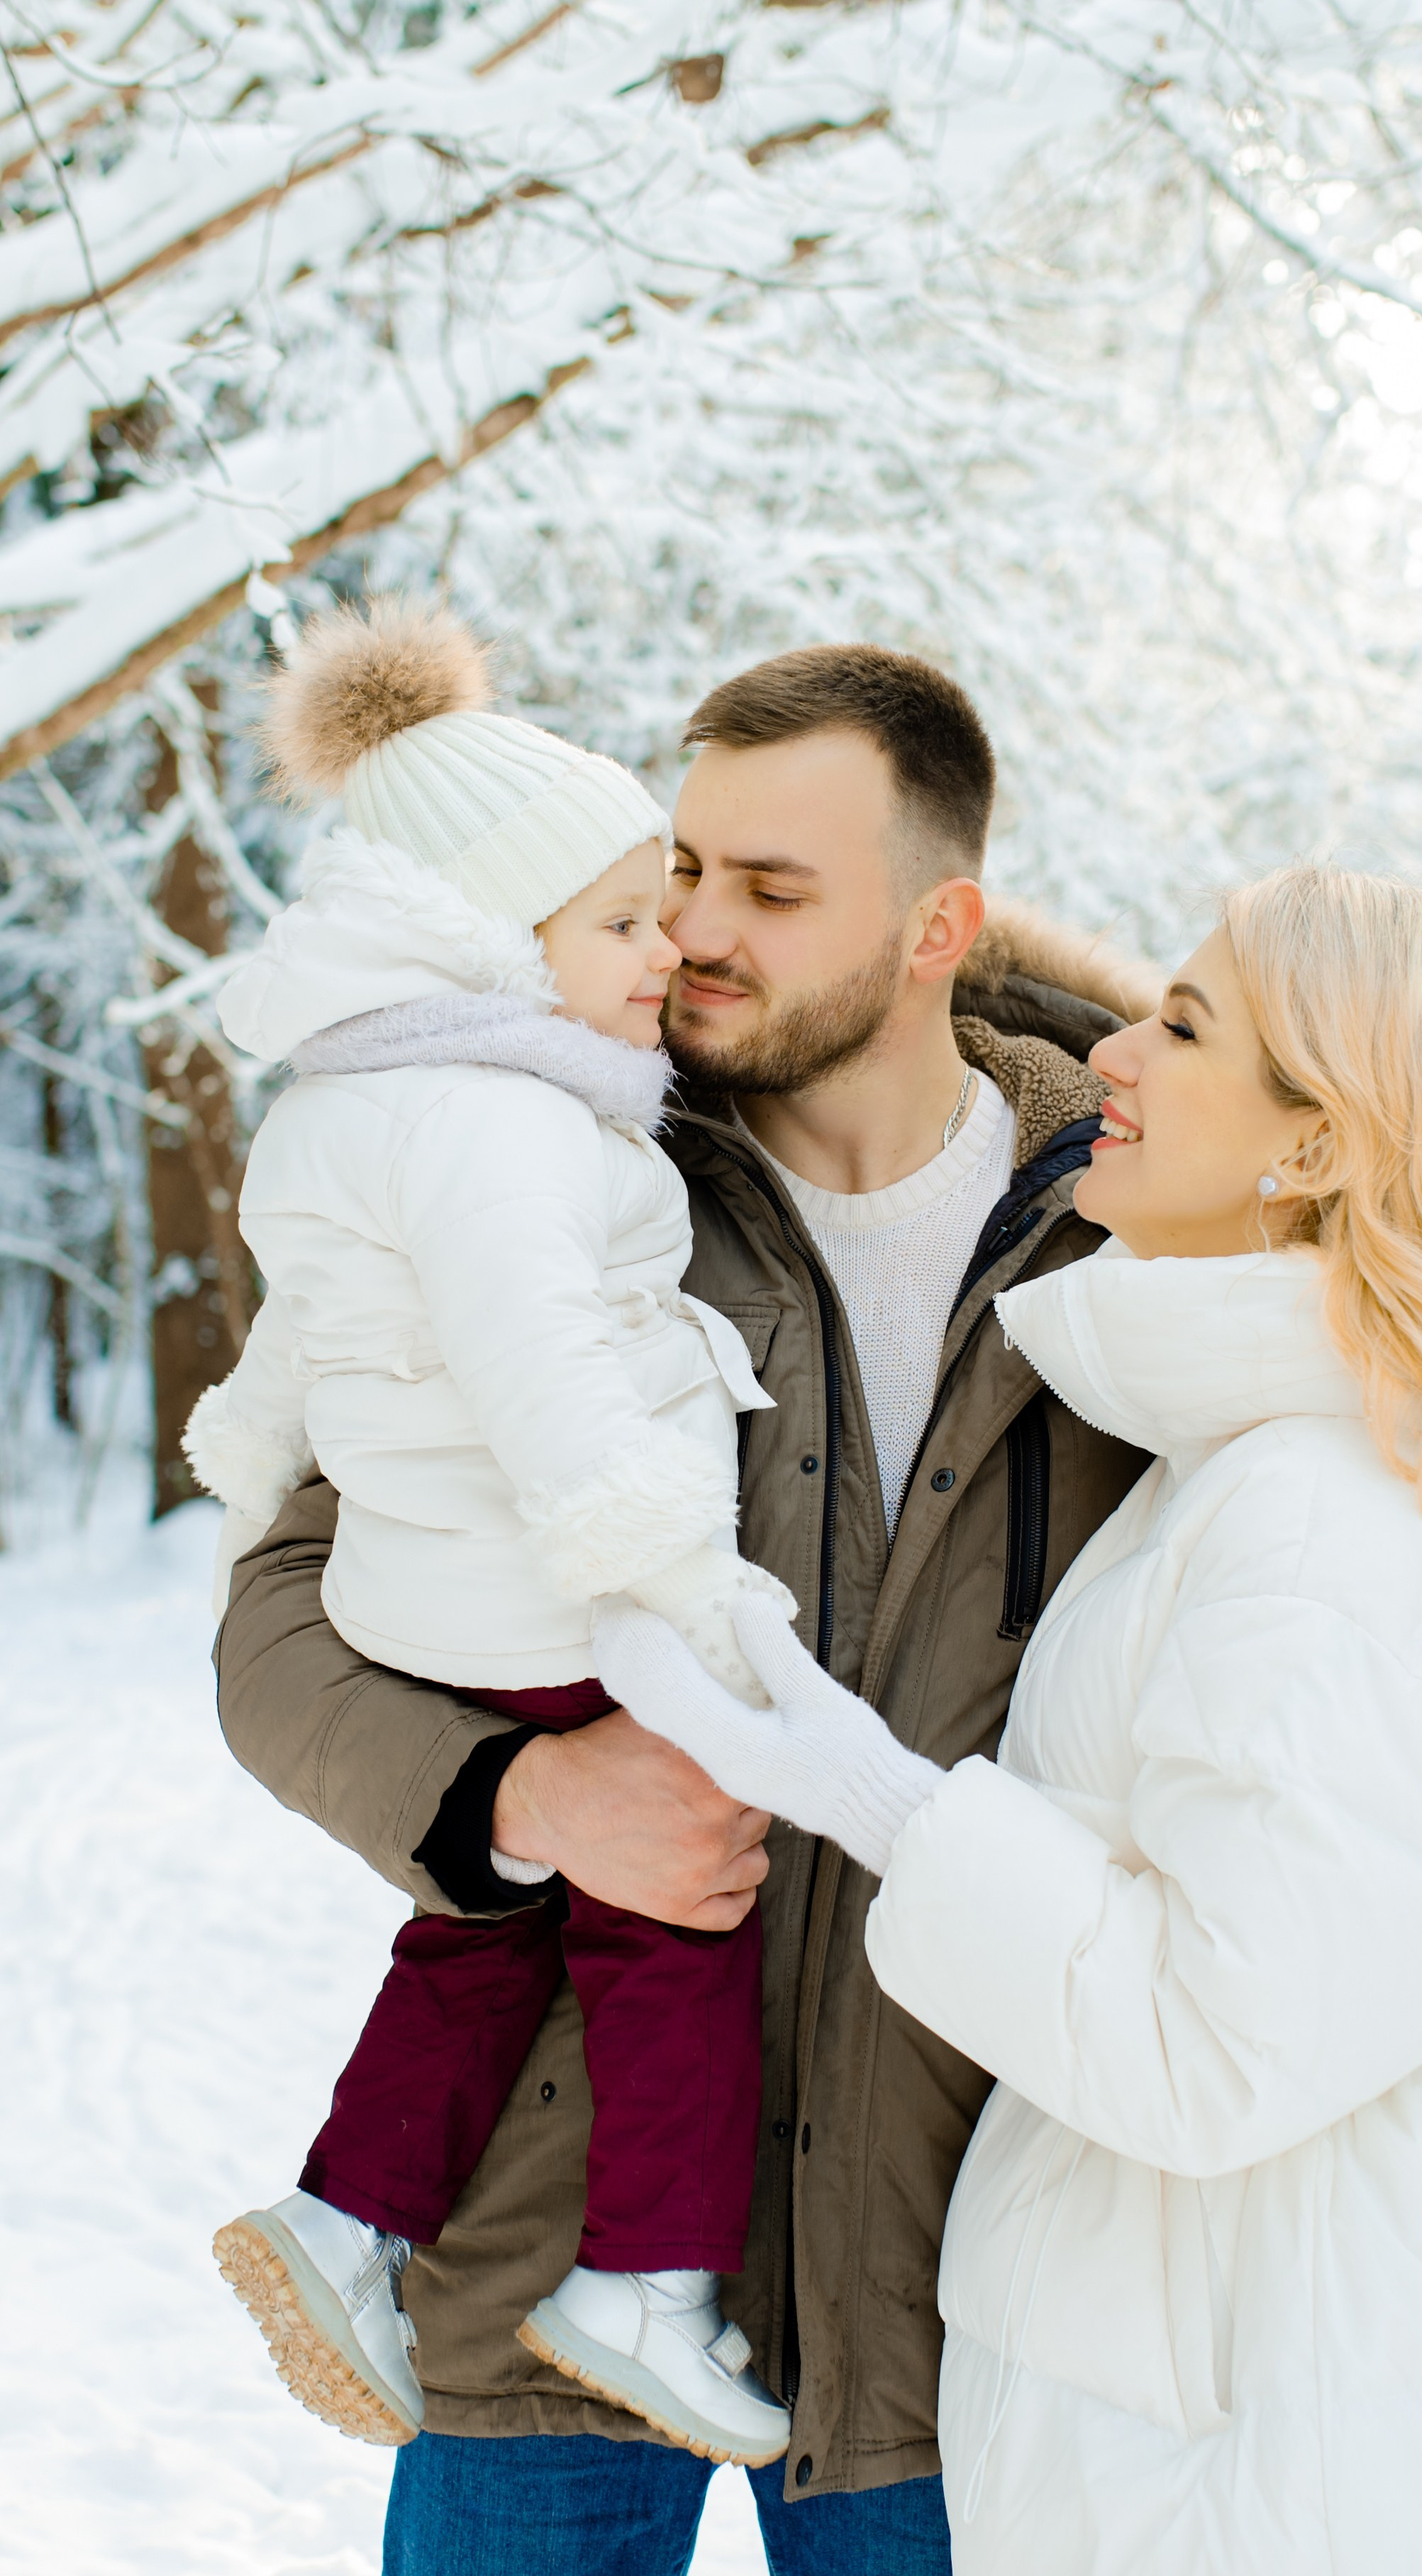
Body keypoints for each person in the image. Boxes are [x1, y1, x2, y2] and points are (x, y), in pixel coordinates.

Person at [212, 655, 1422, 2576]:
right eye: (679, 874)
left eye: (771, 891)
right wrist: (514, 1797)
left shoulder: (1158, 1234)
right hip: (554, 2238)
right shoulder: (543, 1163)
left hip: (958, 2296)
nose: (691, 933)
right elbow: (280, 1603)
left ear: (942, 927)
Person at [599, 864, 1422, 2572]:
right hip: (1272, 2376)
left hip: (1307, 2436)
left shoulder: (1321, 1518)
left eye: (1185, 1027)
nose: (1111, 1050)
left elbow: (1225, 2046)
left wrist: (894, 1807)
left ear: (1321, 1143)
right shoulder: (1279, 1468)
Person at [188, 598, 795, 2464]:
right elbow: (543, 1367)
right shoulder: (510, 1130)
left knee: (485, 1933)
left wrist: (242, 1446)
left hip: (428, 1595)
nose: (669, 949)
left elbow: (300, 1336)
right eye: (621, 920)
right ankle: (642, 2282)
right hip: (552, 1595)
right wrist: (664, 1568)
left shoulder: (346, 1109)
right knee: (674, 1925)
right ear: (482, 941)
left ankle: (345, 2214)